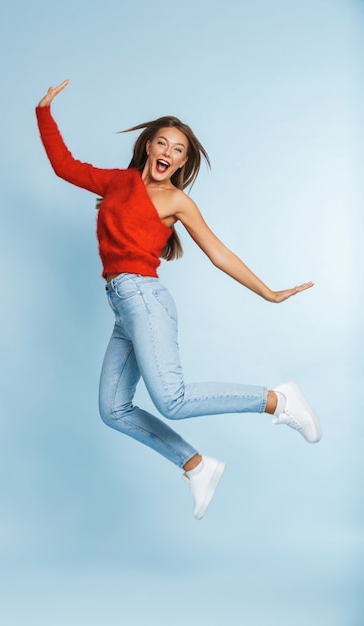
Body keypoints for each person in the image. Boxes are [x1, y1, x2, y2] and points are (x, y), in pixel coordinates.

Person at [36, 79, 322, 520]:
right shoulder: (117, 183)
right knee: (113, 409)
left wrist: (268, 292)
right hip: (122, 304)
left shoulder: (176, 200)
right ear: (149, 146)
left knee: (173, 399)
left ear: (183, 161)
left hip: (144, 298)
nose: (169, 152)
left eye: (180, 150)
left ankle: (279, 400)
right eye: (163, 143)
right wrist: (44, 112)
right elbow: (63, 165)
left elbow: (218, 252)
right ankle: (196, 464)